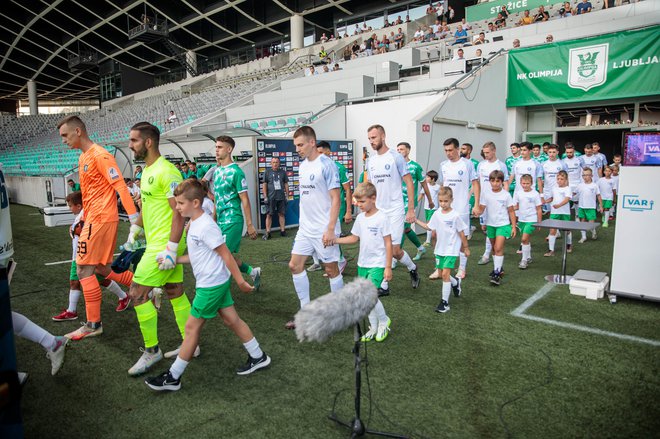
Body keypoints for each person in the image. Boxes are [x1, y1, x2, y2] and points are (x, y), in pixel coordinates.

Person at [145, 180, 269, 391]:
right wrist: (173, 260)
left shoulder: (205, 226)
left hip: (211, 285)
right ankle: (259, 356)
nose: (177, 207)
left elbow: (226, 254)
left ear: (195, 202)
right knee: (232, 320)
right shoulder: (194, 223)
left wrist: (240, 281)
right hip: (214, 282)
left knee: (192, 328)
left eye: (181, 203)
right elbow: (197, 256)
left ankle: (173, 377)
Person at [57, 115, 138, 341]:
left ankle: (93, 324)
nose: (63, 140)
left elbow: (121, 186)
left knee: (84, 270)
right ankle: (142, 285)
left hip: (101, 219)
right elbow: (91, 194)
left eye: (65, 135)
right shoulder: (84, 156)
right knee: (102, 269)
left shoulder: (100, 155)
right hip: (94, 218)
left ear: (78, 131)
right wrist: (83, 216)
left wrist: (134, 220)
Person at [124, 122, 192, 377]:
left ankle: (152, 351)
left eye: (134, 141)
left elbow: (180, 212)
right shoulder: (148, 171)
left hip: (164, 245)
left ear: (148, 142)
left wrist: (172, 249)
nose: (131, 146)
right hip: (156, 242)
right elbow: (148, 208)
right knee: (174, 291)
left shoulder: (167, 171)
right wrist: (135, 229)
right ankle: (190, 342)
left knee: (137, 292)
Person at [286, 126, 343, 329]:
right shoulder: (302, 166)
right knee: (294, 265)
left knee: (331, 270)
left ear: (312, 142)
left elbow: (336, 198)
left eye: (300, 144)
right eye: (295, 146)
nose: (298, 149)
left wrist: (329, 229)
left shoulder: (327, 165)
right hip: (306, 228)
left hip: (323, 228)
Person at [52, 191, 130, 322]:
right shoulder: (83, 214)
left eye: (70, 206)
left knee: (75, 281)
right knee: (101, 279)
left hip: (84, 255)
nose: (69, 208)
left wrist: (75, 231)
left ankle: (72, 311)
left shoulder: (88, 214)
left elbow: (88, 232)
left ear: (78, 206)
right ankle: (123, 296)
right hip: (84, 253)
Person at [333, 182, 392, 341]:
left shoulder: (382, 217)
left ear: (373, 198)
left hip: (378, 264)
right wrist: (335, 240)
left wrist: (388, 266)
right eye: (357, 202)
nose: (359, 205)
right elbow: (354, 238)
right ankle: (373, 327)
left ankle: (384, 321)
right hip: (362, 264)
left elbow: (388, 243)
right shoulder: (359, 218)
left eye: (362, 202)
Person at [365, 125, 420, 294]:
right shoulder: (371, 161)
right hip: (379, 211)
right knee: (381, 248)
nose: (371, 141)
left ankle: (412, 268)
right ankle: (384, 285)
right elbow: (370, 186)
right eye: (369, 139)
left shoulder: (395, 157)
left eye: (374, 137)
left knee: (395, 250)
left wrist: (410, 209)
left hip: (395, 210)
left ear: (383, 136)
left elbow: (409, 182)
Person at [212, 136, 261, 289]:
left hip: (233, 220)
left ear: (229, 149)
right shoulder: (217, 171)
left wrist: (250, 224)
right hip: (220, 221)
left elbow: (245, 199)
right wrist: (212, 219)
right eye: (216, 147)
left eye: (220, 147)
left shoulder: (236, 172)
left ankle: (221, 294)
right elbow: (217, 198)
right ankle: (253, 272)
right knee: (226, 255)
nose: (216, 150)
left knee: (222, 257)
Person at [416, 187, 469, 312]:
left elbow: (461, 233)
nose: (443, 204)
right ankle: (455, 283)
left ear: (451, 200)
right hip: (440, 249)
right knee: (441, 274)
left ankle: (444, 303)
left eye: (446, 201)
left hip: (451, 250)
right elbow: (429, 227)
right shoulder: (437, 213)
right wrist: (416, 220)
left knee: (445, 274)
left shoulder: (455, 215)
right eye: (440, 201)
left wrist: (465, 247)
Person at [438, 138, 479, 280]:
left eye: (450, 150)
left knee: (462, 240)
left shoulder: (467, 164)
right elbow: (443, 186)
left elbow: (475, 184)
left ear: (457, 149)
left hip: (461, 208)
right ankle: (440, 267)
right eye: (445, 150)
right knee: (439, 236)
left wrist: (476, 204)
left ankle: (462, 268)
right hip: (446, 208)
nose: (448, 153)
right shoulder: (443, 165)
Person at [476, 170, 516, 286]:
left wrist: (513, 226)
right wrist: (477, 212)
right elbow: (482, 209)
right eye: (492, 181)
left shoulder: (506, 195)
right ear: (490, 182)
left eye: (498, 181)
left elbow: (511, 211)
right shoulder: (486, 194)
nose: (495, 183)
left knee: (498, 248)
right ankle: (498, 267)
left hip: (503, 224)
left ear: (502, 182)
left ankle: (497, 273)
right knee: (494, 248)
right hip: (490, 224)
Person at [396, 142, 433, 262]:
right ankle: (421, 248)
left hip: (409, 204)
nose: (399, 151)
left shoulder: (415, 167)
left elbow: (424, 185)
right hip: (396, 203)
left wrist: (430, 200)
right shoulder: (394, 165)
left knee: (401, 229)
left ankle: (395, 258)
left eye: (401, 149)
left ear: (408, 150)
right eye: (397, 149)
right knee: (406, 229)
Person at [476, 142, 509, 266]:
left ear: (494, 151)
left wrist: (504, 199)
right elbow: (477, 183)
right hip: (484, 202)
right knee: (486, 227)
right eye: (484, 152)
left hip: (497, 202)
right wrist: (476, 200)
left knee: (493, 225)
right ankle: (489, 252)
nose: (485, 155)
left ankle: (487, 254)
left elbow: (505, 183)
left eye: (488, 152)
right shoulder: (481, 165)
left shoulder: (501, 165)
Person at [513, 175, 542, 269]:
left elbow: (539, 209)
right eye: (523, 183)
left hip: (531, 220)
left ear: (532, 183)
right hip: (522, 220)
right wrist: (507, 209)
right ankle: (528, 256)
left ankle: (524, 260)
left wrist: (539, 222)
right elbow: (516, 206)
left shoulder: (535, 194)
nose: (525, 185)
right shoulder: (518, 193)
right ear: (520, 183)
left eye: (527, 183)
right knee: (526, 239)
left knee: (524, 239)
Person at [544, 171, 573, 256]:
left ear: (566, 180)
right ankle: (551, 250)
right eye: (558, 179)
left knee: (567, 230)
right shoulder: (554, 188)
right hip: (554, 213)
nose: (559, 180)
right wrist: (545, 201)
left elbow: (567, 199)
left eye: (561, 179)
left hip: (565, 213)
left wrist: (559, 205)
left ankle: (569, 244)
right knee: (552, 230)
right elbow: (552, 198)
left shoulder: (568, 188)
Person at [262, 156, 288, 240]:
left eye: (277, 162)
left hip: (281, 197)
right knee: (269, 214)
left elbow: (286, 184)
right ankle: (268, 232)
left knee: (281, 214)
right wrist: (265, 196)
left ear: (279, 163)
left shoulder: (283, 172)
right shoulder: (267, 172)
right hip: (270, 197)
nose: (275, 164)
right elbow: (264, 184)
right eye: (273, 162)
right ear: (271, 163)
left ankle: (283, 231)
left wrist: (287, 195)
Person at [575, 168, 602, 243]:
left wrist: (601, 205)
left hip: (591, 207)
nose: (585, 177)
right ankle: (583, 237)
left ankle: (593, 232)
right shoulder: (580, 185)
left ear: (591, 175)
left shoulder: (594, 185)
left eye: (587, 175)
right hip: (581, 207)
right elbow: (574, 193)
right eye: (583, 175)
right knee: (582, 222)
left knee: (591, 223)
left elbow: (599, 196)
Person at [541, 144, 568, 215]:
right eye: (550, 152)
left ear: (557, 152)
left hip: (559, 190)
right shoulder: (543, 164)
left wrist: (566, 189)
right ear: (547, 152)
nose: (551, 154)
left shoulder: (562, 164)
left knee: (557, 210)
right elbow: (540, 179)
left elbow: (567, 178)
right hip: (547, 190)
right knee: (548, 211)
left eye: (553, 152)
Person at [420, 170, 440, 248]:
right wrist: (415, 203)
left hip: (434, 208)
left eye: (428, 177)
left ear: (433, 179)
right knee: (430, 224)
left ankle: (428, 241)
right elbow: (421, 195)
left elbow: (440, 196)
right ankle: (432, 239)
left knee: (429, 224)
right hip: (426, 208)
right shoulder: (426, 186)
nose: (426, 178)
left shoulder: (438, 187)